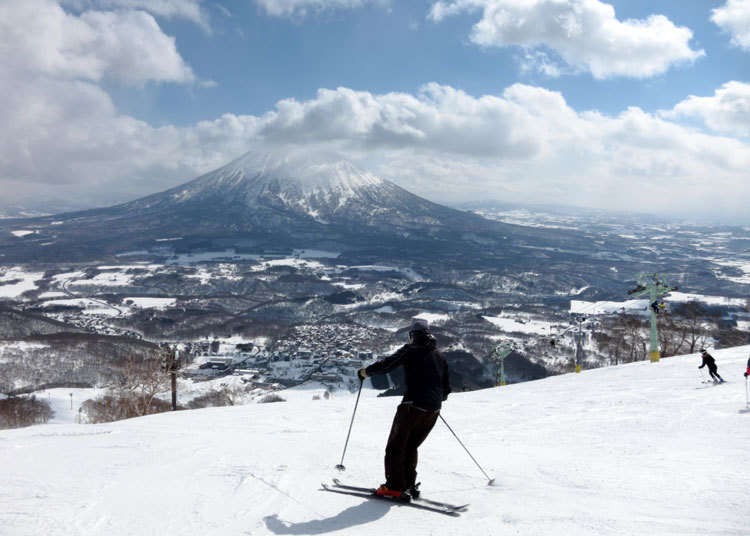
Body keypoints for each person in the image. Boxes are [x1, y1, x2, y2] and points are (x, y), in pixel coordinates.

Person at [357, 319, 451, 502]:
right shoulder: (439, 355)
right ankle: (408, 484)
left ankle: (395, 487)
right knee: (410, 446)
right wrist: (432, 399)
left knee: (396, 446)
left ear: (412, 336)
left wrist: (365, 372)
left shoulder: (411, 350)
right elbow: (446, 389)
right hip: (433, 410)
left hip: (413, 405)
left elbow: (387, 365)